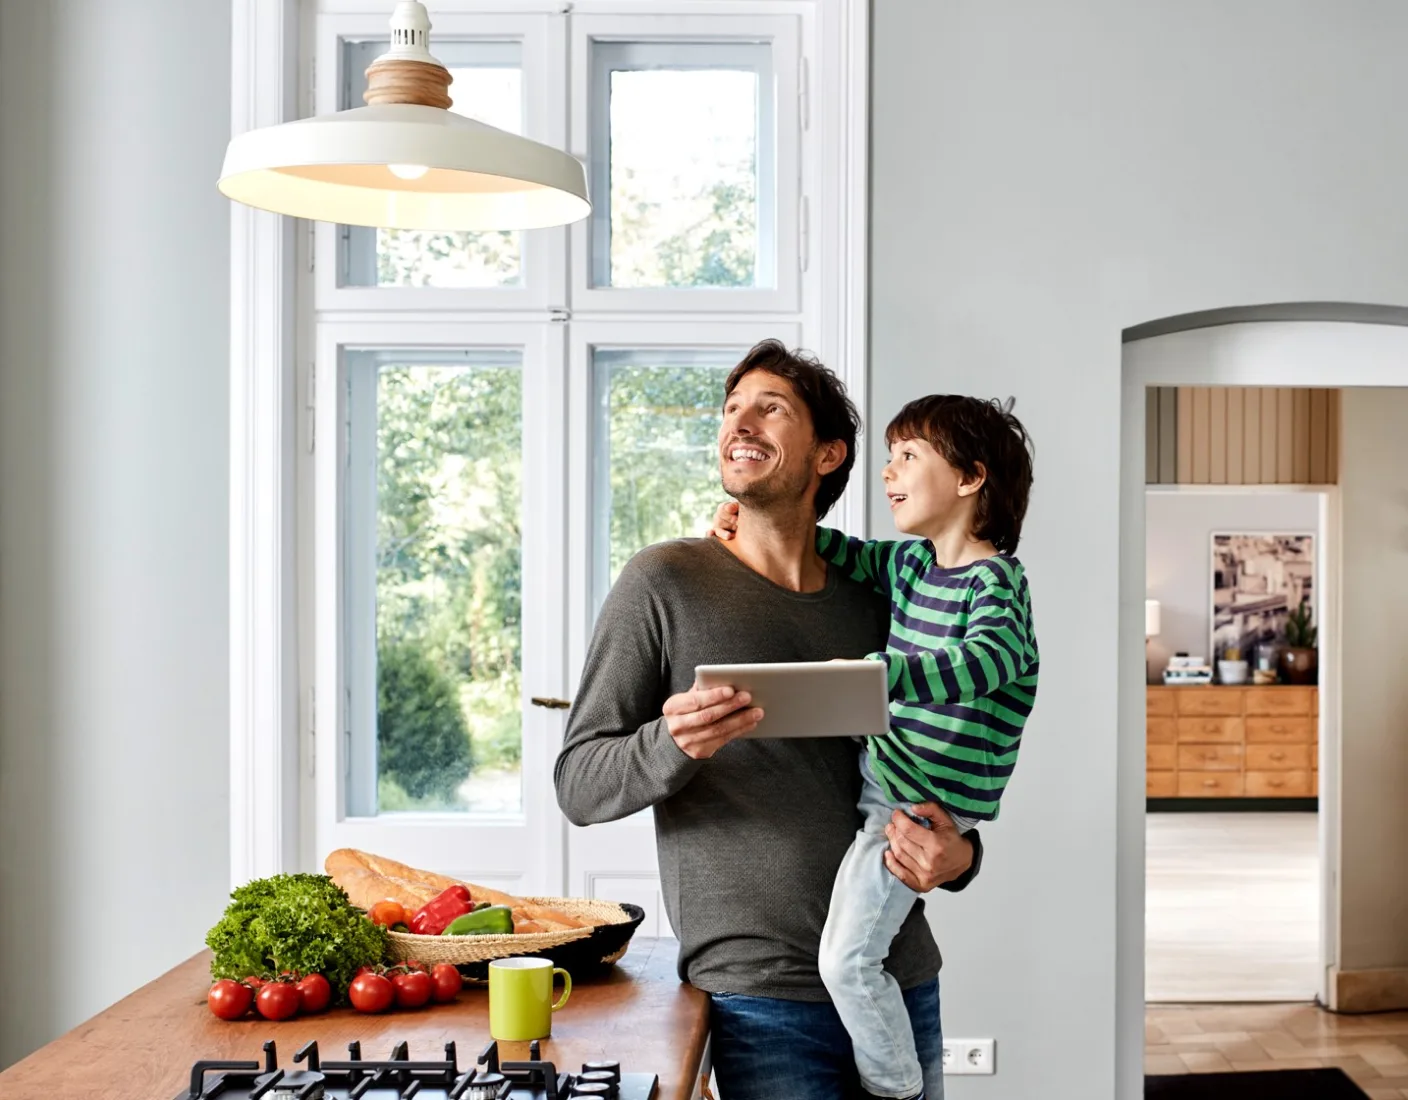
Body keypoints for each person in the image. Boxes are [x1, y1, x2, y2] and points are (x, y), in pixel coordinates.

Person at [554, 341, 982, 1100]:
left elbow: (947, 754)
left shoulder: (881, 596)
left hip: (897, 975)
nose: (739, 422)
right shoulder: (662, 582)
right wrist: (671, 741)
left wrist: (962, 858)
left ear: (827, 455)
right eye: (730, 408)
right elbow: (580, 785)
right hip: (759, 998)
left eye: (769, 407)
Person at [712, 394, 1038, 1100]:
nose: (888, 474)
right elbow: (844, 552)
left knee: (848, 961)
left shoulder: (997, 584)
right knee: (852, 955)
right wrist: (751, 520)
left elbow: (989, 661)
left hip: (915, 808)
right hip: (892, 785)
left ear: (970, 477)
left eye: (908, 458)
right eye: (888, 459)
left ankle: (895, 1087)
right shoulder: (916, 567)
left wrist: (883, 678)